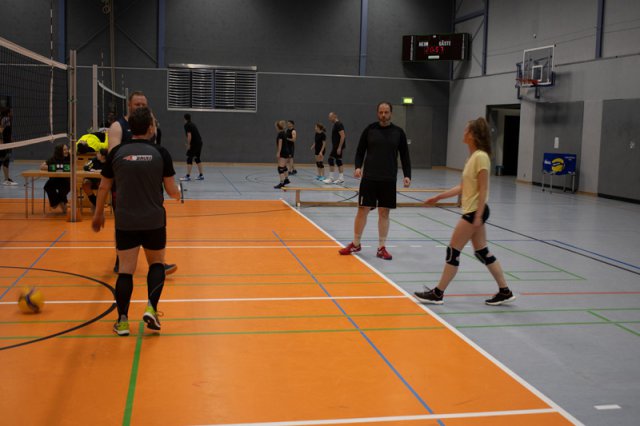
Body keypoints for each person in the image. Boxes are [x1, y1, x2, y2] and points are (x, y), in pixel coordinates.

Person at [92, 107, 181, 336]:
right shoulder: (161, 153)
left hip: (126, 221)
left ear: (130, 128)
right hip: (153, 221)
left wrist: (98, 214)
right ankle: (151, 308)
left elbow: (103, 186)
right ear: (151, 128)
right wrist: (178, 193)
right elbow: (171, 190)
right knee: (156, 264)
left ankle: (122, 322)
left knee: (126, 271)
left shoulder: (117, 153)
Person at [414, 117, 516, 306]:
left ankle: (438, 293)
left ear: (473, 135)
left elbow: (483, 188)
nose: (463, 133)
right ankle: (505, 291)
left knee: (453, 251)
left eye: (466, 130)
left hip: (474, 211)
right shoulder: (471, 157)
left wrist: (478, 215)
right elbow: (462, 187)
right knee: (482, 251)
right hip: (474, 211)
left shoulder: (481, 157)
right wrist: (438, 197)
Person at [107, 91, 177, 275]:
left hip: (149, 186)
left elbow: (158, 152)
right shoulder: (118, 126)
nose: (140, 107)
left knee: (154, 222)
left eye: (143, 105)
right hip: (125, 186)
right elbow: (112, 156)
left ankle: (158, 262)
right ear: (129, 105)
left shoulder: (152, 126)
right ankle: (121, 259)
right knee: (124, 222)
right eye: (137, 104)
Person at [339, 102, 411, 260]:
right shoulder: (370, 130)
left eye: (386, 112)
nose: (383, 115)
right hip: (369, 177)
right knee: (362, 209)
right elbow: (360, 151)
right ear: (377, 113)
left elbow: (405, 155)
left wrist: (407, 175)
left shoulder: (398, 132)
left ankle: (381, 247)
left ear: (391, 113)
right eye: (381, 112)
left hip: (388, 178)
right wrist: (358, 167)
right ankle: (356, 243)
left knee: (384, 212)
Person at [40, 144, 71, 213]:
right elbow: (42, 166)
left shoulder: (70, 158)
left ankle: (57, 202)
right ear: (59, 151)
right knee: (47, 186)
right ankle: (56, 203)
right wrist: (55, 168)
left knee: (64, 188)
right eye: (64, 150)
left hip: (66, 180)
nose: (66, 151)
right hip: (54, 179)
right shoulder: (53, 158)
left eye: (67, 149)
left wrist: (57, 168)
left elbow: (74, 167)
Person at [323, 112, 346, 184]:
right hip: (336, 146)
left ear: (335, 116)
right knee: (338, 161)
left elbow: (343, 136)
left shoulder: (338, 124)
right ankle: (341, 178)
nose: (329, 119)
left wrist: (339, 147)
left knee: (330, 159)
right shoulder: (335, 124)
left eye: (330, 117)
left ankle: (331, 178)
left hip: (337, 147)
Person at [180, 113, 204, 181]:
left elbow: (189, 135)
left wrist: (188, 145)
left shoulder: (187, 125)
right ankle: (201, 175)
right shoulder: (193, 124)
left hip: (194, 144)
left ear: (184, 118)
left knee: (189, 158)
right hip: (199, 143)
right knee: (197, 158)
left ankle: (187, 176)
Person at [1, 108, 18, 186]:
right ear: (8, 113)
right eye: (11, 112)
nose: (12, 113)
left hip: (6, 144)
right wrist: (2, 142)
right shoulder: (5, 119)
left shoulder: (8, 120)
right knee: (4, 160)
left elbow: (7, 132)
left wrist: (10, 140)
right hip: (4, 145)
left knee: (6, 161)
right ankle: (6, 179)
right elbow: (1, 131)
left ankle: (7, 179)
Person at [273, 120, 291, 189]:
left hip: (283, 152)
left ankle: (282, 183)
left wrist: (278, 152)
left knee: (280, 168)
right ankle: (286, 179)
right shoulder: (284, 133)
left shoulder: (280, 134)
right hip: (286, 151)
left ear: (278, 127)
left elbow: (280, 144)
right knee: (284, 167)